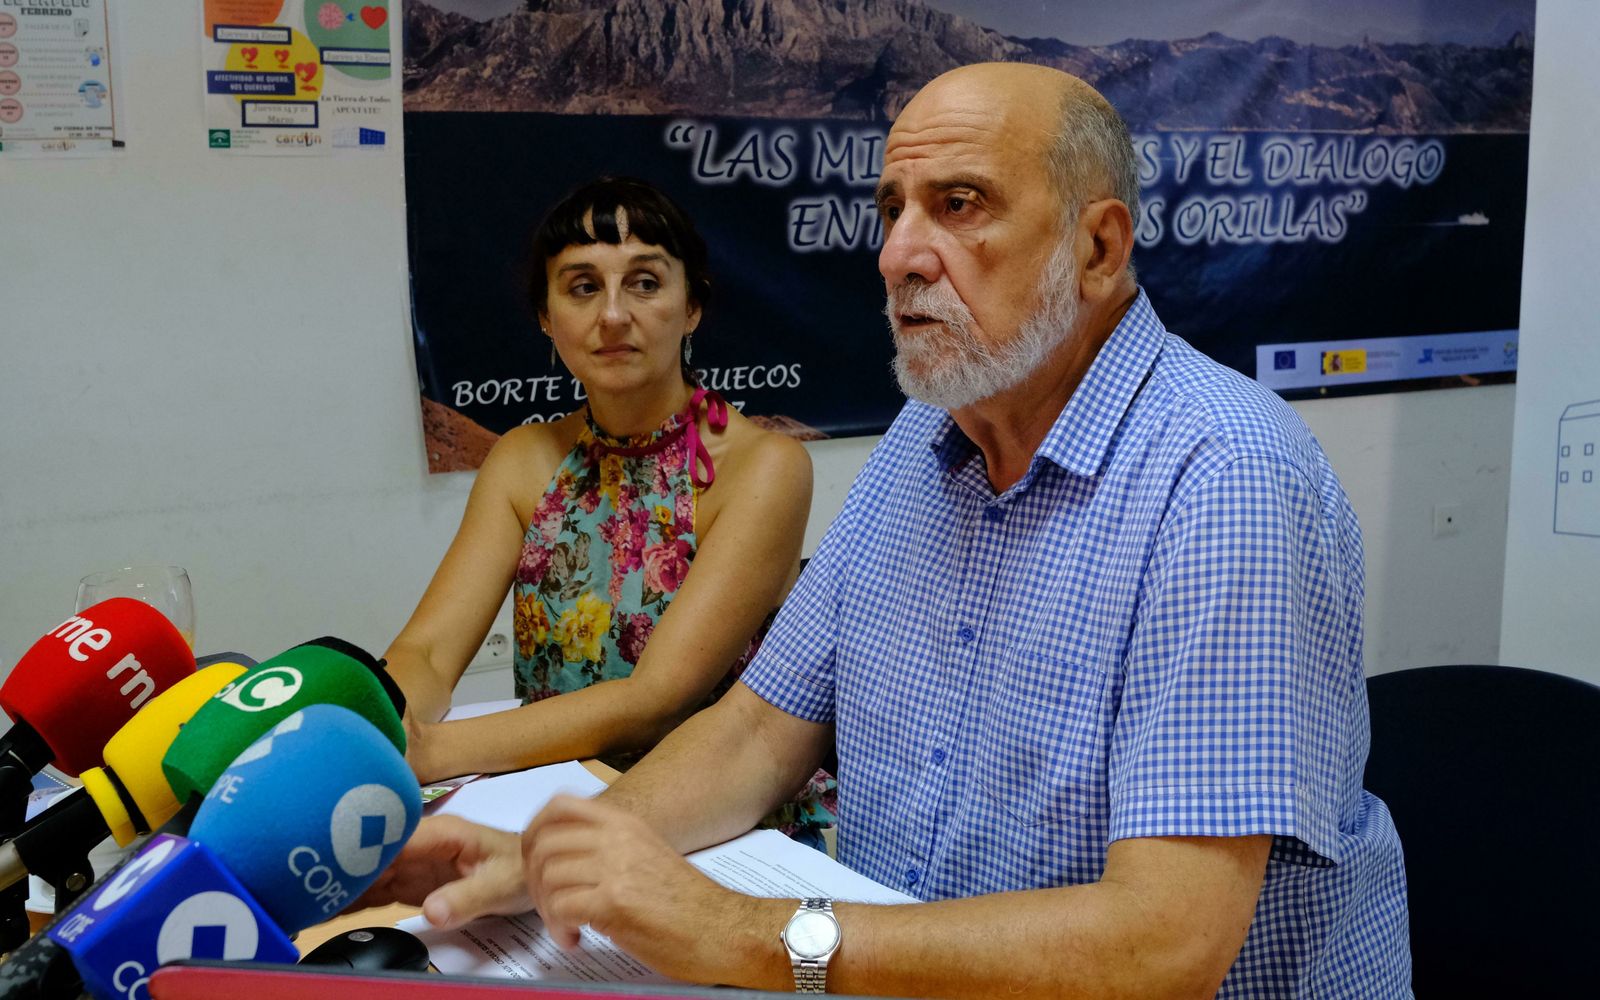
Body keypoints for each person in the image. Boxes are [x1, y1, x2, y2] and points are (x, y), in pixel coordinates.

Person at [358, 65, 1411, 997]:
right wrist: (552, 853)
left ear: (1097, 246)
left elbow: (1162, 947)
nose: (900, 253)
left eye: (960, 206)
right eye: (892, 208)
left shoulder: (1224, 480)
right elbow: (759, 730)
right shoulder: (925, 435)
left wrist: (737, 933)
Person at [383, 177, 815, 788]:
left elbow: (655, 700)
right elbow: (426, 654)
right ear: (545, 317)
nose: (613, 315)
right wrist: (375, 724)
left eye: (644, 282)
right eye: (583, 288)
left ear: (692, 306)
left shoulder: (764, 467)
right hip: (554, 801)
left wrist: (429, 750)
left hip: (715, 822)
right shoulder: (523, 460)